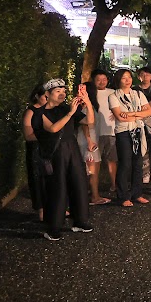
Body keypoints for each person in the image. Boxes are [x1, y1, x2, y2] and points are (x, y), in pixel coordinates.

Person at [36, 79, 95, 240]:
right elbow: (53, 128)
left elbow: (89, 121)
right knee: (58, 187)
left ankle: (80, 220)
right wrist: (70, 113)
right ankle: (54, 227)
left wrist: (87, 102)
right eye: (57, 91)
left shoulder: (66, 108)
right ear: (47, 94)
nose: (62, 94)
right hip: (55, 152)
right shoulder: (40, 112)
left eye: (63, 91)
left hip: (72, 148)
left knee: (79, 183)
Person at [109, 69, 151, 207]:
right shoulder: (114, 96)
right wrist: (139, 114)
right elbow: (119, 116)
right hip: (123, 132)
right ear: (118, 80)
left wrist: (131, 114)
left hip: (137, 130)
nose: (127, 80)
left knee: (138, 163)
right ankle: (123, 196)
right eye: (124, 78)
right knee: (125, 163)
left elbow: (149, 111)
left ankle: (137, 193)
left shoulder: (138, 94)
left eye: (129, 77)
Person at [76, 82, 110, 206]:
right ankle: (94, 196)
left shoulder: (89, 106)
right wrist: (90, 140)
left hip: (89, 140)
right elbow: (85, 125)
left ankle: (91, 195)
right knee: (92, 170)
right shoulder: (84, 107)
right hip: (88, 141)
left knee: (91, 169)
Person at [23, 84, 48, 221]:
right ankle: (41, 210)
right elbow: (28, 136)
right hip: (36, 150)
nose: (47, 99)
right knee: (37, 179)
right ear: (37, 96)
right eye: (45, 96)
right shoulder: (31, 112)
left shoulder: (51, 110)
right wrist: (48, 134)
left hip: (50, 149)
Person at [92, 69, 118, 194]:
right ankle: (93, 188)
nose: (102, 82)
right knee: (94, 162)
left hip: (111, 130)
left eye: (104, 79)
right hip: (94, 132)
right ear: (93, 81)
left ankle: (114, 184)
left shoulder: (113, 93)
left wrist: (117, 113)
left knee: (112, 160)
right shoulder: (90, 93)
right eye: (98, 80)